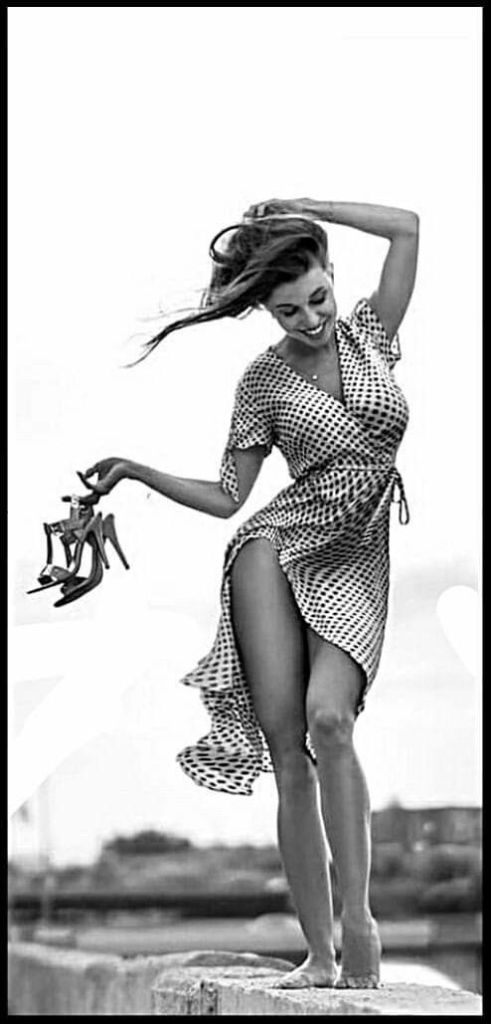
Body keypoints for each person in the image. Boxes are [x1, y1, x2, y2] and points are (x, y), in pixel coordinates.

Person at [78, 198, 419, 989]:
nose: (309, 320)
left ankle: (359, 921)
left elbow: (406, 225)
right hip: (273, 546)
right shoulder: (262, 381)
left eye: (317, 299)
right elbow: (229, 496)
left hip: (355, 555)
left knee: (331, 720)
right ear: (264, 310)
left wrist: (303, 208)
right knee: (288, 747)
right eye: (287, 310)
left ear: (332, 274)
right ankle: (321, 954)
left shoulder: (371, 334)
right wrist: (136, 469)